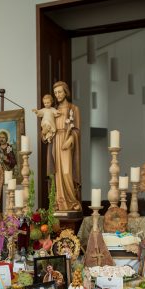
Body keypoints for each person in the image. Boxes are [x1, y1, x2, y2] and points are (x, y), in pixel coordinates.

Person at [47, 81, 81, 212]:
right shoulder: (53, 110)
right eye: (55, 93)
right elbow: (48, 125)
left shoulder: (73, 109)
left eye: (60, 92)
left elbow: (77, 129)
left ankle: (72, 202)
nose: (57, 95)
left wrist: (71, 139)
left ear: (65, 92)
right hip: (56, 141)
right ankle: (59, 202)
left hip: (66, 141)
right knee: (57, 173)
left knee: (66, 172)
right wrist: (45, 131)